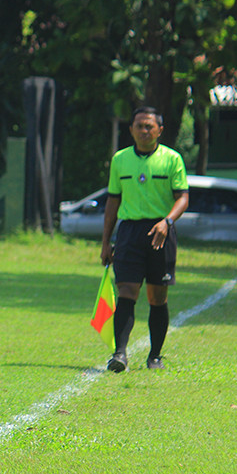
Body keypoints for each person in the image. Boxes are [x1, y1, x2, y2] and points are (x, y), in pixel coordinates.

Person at [100, 106, 189, 372]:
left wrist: (167, 221)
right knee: (126, 291)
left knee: (157, 296)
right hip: (129, 233)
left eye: (149, 126)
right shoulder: (120, 160)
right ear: (131, 130)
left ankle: (155, 357)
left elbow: (182, 197)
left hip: (161, 233)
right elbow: (113, 201)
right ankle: (120, 354)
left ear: (160, 130)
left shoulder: (172, 159)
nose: (144, 130)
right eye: (139, 126)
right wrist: (106, 241)